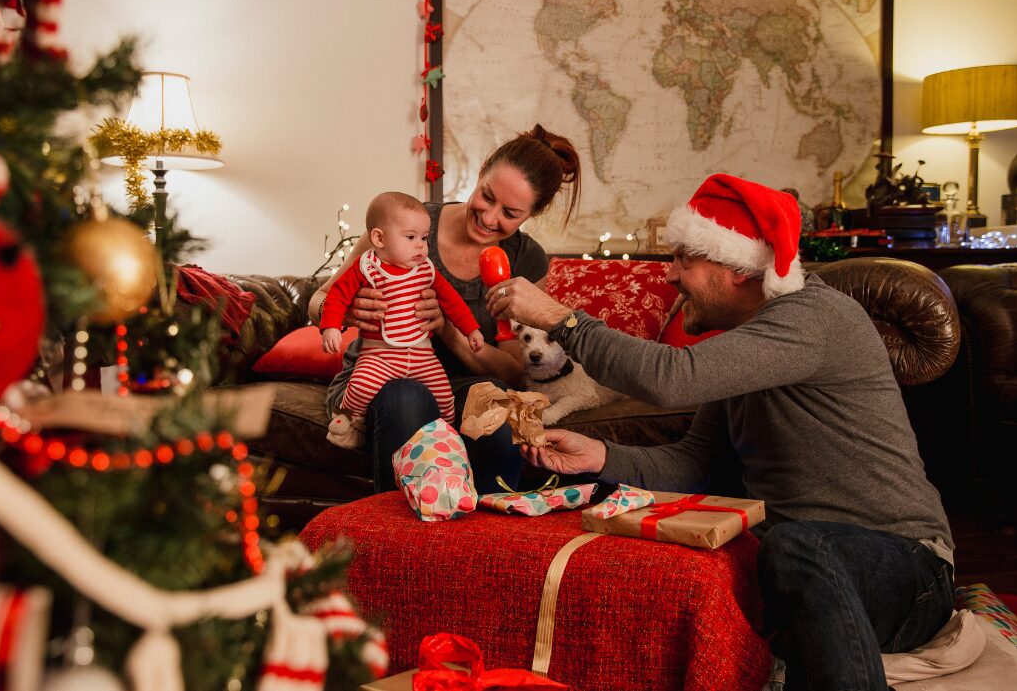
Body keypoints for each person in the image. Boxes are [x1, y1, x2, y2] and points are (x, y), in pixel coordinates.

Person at [488, 173, 954, 691]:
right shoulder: (745, 343)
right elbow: (697, 466)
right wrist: (599, 456)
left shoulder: (815, 317)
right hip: (802, 567)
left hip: (908, 569)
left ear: (738, 269)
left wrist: (561, 319)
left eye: (685, 258)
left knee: (794, 546)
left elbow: (669, 378)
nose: (671, 276)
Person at [308, 124, 582, 494]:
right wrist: (348, 312)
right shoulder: (407, 225)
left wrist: (449, 331)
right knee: (408, 397)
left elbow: (513, 371)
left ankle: (488, 534)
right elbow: (317, 302)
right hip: (377, 380)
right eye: (487, 196)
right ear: (481, 171)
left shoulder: (525, 260)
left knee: (495, 401)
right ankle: (395, 540)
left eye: (510, 213)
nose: (488, 218)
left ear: (531, 215)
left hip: (452, 387)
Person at [319, 192, 484, 448]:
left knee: (444, 395)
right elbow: (336, 296)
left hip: (423, 357)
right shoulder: (366, 267)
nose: (420, 245)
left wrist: (471, 329)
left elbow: (452, 302)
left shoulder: (426, 270)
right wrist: (331, 326)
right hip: (379, 357)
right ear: (379, 238)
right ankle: (350, 423)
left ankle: (450, 437)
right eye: (410, 237)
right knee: (361, 386)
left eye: (424, 238)